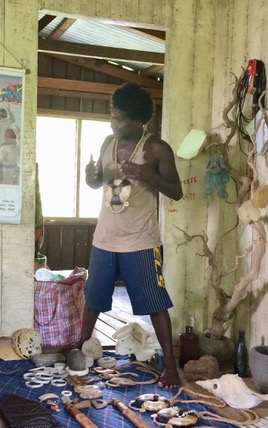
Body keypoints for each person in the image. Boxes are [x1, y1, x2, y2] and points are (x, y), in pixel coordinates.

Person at [78, 82, 183, 388]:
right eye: (112, 116)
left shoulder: (156, 148)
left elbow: (176, 191)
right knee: (93, 299)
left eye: (121, 119)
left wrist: (149, 176)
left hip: (141, 241)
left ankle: (171, 369)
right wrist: (91, 178)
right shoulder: (107, 143)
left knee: (155, 303)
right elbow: (98, 183)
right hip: (105, 239)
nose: (114, 123)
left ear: (139, 121)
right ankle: (80, 354)